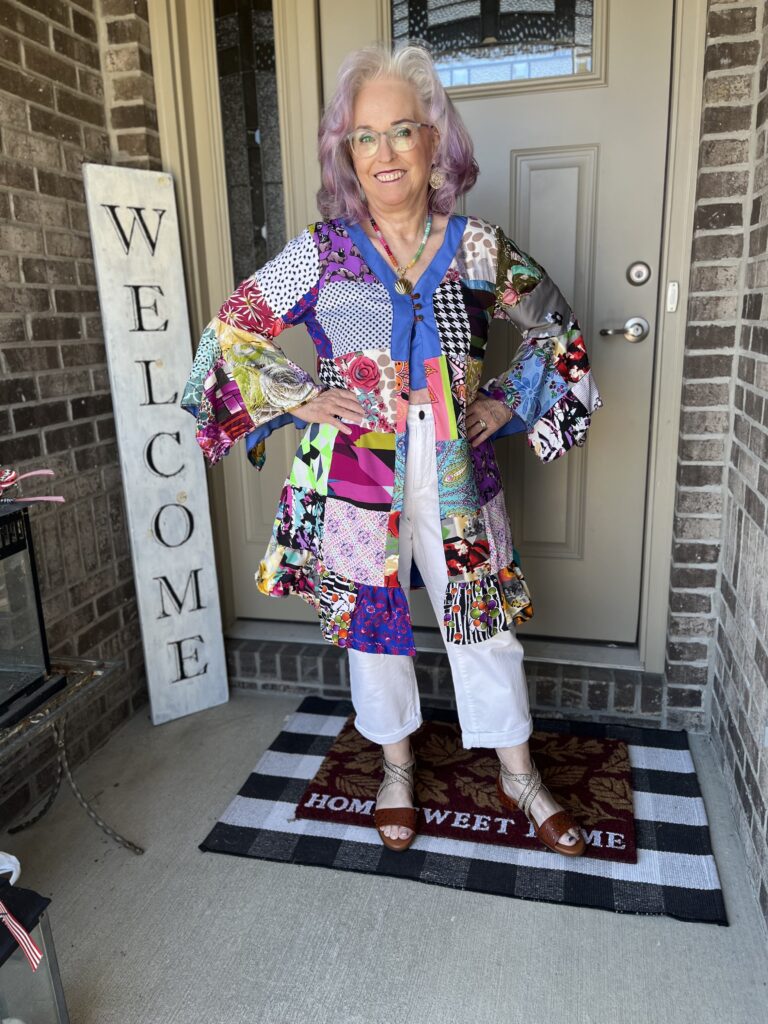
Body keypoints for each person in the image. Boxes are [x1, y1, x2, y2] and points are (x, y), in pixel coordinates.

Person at [181, 43, 603, 857]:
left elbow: (556, 328)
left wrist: (505, 402)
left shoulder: (476, 247)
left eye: (401, 130)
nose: (384, 151)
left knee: (482, 620)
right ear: (346, 152)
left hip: (456, 471)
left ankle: (519, 773)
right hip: (355, 473)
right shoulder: (322, 251)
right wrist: (301, 397)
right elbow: (229, 333)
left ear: (434, 139)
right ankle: (396, 767)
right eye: (364, 136)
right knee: (371, 628)